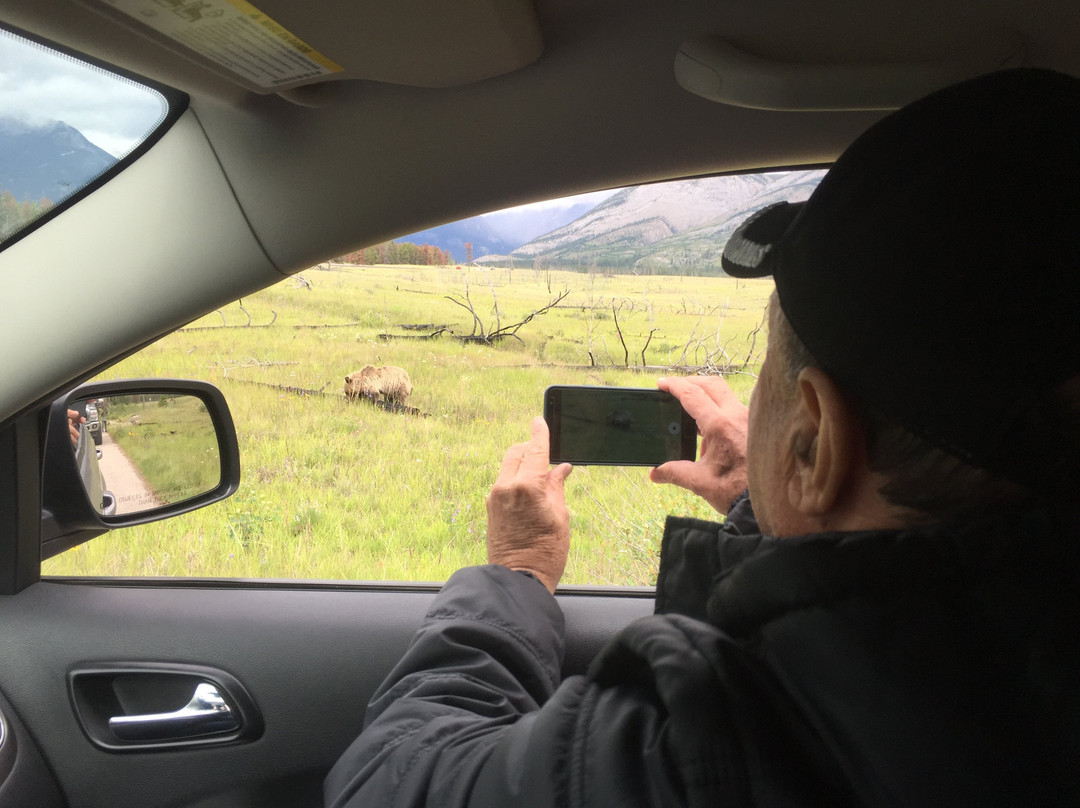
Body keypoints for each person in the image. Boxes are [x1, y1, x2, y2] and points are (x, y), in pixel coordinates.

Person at [324, 68, 1080, 807]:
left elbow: (383, 782)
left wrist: (516, 574)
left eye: (770, 370)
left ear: (818, 435)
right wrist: (771, 497)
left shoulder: (725, 750)